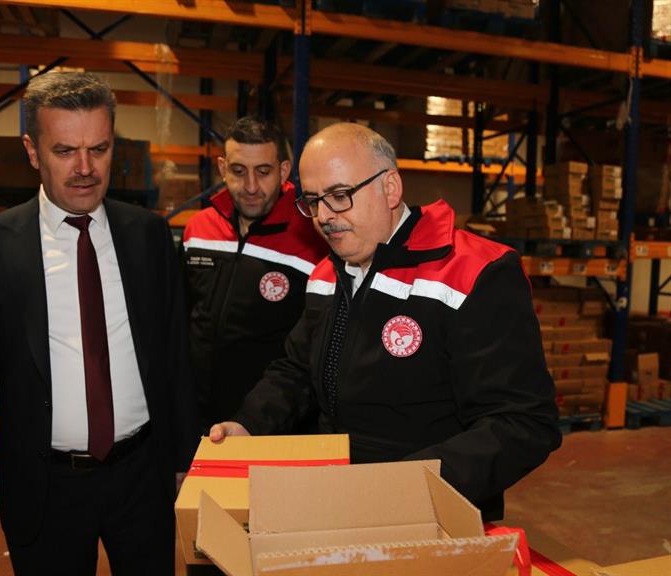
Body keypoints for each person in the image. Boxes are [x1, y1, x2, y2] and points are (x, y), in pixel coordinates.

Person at [210, 122, 561, 521]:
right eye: (313, 201)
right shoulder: (328, 273)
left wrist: (405, 484)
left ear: (391, 188)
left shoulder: (475, 272)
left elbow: (524, 423)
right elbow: (297, 370)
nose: (324, 217)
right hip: (340, 500)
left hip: (432, 514)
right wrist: (249, 424)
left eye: (339, 196)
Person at [0, 72, 198, 575]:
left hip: (142, 478)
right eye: (64, 151)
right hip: (45, 487)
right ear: (32, 151)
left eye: (98, 149)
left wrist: (183, 461)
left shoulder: (148, 236)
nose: (85, 168)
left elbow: (175, 358)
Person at [182, 117, 327, 431]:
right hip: (197, 415)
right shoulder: (198, 229)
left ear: (283, 171)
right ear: (222, 168)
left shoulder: (313, 240)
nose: (250, 187)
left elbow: (313, 348)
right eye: (238, 171)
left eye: (263, 172)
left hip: (272, 422)